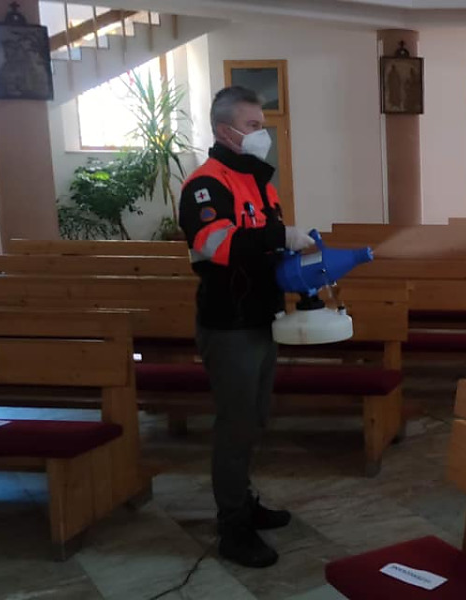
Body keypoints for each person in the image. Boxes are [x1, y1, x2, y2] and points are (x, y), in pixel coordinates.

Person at [178, 86, 315, 568]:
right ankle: (232, 525)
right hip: (228, 321)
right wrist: (281, 236)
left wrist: (298, 263)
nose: (262, 134)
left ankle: (244, 499)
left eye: (262, 125)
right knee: (235, 425)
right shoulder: (205, 185)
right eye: (253, 126)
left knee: (255, 417)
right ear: (225, 131)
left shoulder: (259, 182)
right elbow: (217, 244)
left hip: (261, 316)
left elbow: (265, 248)